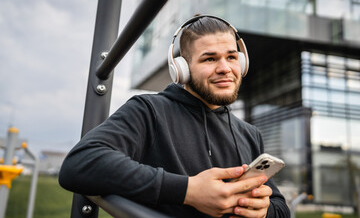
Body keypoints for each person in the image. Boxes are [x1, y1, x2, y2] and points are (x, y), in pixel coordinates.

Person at [59, 15, 290, 218]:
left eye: (231, 57)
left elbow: (281, 208)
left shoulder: (250, 134)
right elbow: (80, 163)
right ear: (182, 69)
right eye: (209, 59)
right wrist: (188, 191)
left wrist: (262, 211)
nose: (225, 68)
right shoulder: (148, 110)